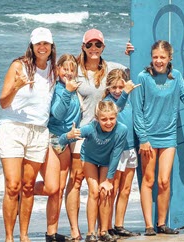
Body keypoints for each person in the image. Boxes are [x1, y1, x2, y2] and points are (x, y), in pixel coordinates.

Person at [0, 27, 57, 242]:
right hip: (13, 128)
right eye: (38, 43)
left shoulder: (53, 70)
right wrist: (16, 87)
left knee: (28, 186)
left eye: (46, 44)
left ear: (51, 47)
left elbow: (87, 61)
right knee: (13, 185)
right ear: (32, 46)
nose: (42, 47)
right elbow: (3, 103)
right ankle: (9, 237)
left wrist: (128, 52)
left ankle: (24, 236)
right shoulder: (19, 66)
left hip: (39, 132)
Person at [65, 29, 128, 241]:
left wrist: (131, 53)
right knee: (76, 181)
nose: (94, 49)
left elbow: (132, 75)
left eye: (98, 45)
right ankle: (75, 229)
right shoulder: (76, 70)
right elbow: (58, 79)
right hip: (82, 133)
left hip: (106, 134)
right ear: (83, 46)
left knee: (102, 186)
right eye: (89, 45)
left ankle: (103, 229)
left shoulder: (112, 67)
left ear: (103, 47)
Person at [132, 40, 184, 236]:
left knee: (164, 181)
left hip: (169, 136)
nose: (158, 61)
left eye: (162, 57)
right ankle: (149, 226)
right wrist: (143, 138)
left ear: (170, 58)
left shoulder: (176, 77)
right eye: (155, 57)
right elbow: (137, 111)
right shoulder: (143, 77)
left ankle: (162, 224)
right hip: (148, 136)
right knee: (149, 179)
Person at [59, 100, 127, 242]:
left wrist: (108, 180)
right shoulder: (89, 128)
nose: (108, 122)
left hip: (107, 160)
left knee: (105, 191)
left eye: (111, 118)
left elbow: (116, 155)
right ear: (97, 118)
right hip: (89, 158)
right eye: (104, 119)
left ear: (116, 116)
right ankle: (91, 233)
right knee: (94, 191)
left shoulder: (122, 130)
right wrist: (68, 136)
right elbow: (61, 140)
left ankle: (103, 231)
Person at [34, 54, 81, 242]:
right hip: (54, 139)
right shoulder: (58, 88)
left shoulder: (73, 87)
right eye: (65, 68)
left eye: (72, 69)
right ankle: (25, 189)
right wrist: (68, 92)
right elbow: (57, 114)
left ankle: (51, 233)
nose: (68, 72)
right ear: (57, 69)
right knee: (53, 188)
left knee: (60, 190)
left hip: (68, 140)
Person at [103, 69, 141, 238]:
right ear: (108, 87)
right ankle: (107, 226)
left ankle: (119, 225)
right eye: (114, 87)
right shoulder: (108, 102)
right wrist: (125, 93)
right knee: (113, 189)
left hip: (131, 148)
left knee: (125, 189)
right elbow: (114, 111)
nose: (117, 90)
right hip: (115, 151)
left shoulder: (130, 99)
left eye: (120, 86)